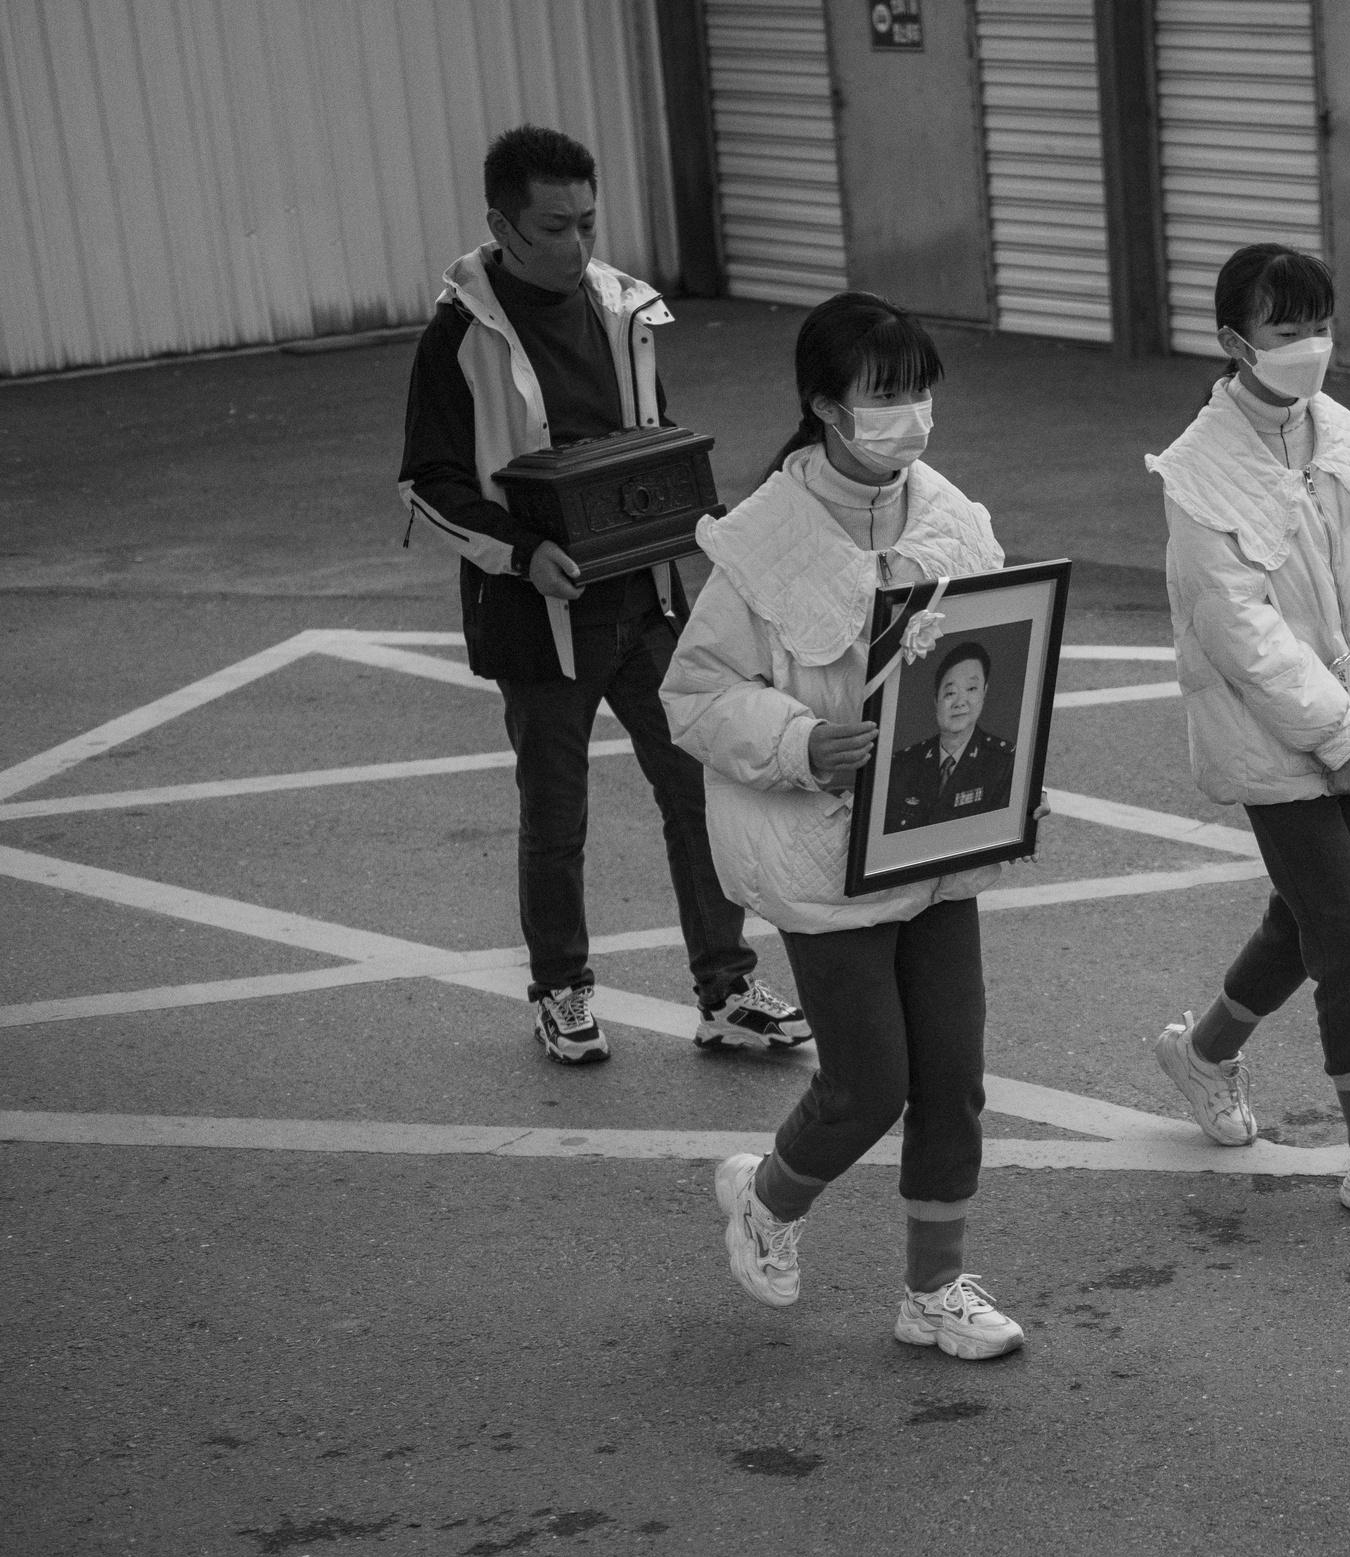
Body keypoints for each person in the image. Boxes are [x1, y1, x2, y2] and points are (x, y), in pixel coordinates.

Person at [663, 293, 1027, 1361]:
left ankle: (934, 1291)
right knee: (871, 1082)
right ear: (823, 405)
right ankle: (769, 1200)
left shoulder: (953, 516)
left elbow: (998, 667)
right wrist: (797, 741)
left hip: (936, 842)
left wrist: (1009, 779)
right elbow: (693, 696)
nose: (908, 414)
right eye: (882, 395)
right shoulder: (759, 543)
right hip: (822, 855)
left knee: (952, 1075)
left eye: (918, 390)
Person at [396, 124, 805, 1067]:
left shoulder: (626, 308)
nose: (579, 245)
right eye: (555, 227)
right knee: (556, 814)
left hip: (648, 604)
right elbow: (427, 485)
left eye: (589, 221)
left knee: (699, 790)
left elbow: (653, 442)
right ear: (501, 225)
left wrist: (692, 524)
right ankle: (563, 992)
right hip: (539, 619)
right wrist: (520, 552)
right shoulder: (458, 336)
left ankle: (727, 988)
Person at [1145, 243, 1350, 1229]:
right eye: (1287, 331)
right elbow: (1243, 634)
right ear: (1235, 343)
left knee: (1306, 921)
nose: (1311, 347)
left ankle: (1203, 1053)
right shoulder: (1197, 474)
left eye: (1321, 326)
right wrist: (1336, 731)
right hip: (1274, 736)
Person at [885, 642, 1019, 831]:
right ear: (936, 700)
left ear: (984, 692)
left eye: (971, 689)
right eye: (950, 693)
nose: (960, 702)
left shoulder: (1005, 763)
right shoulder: (903, 764)